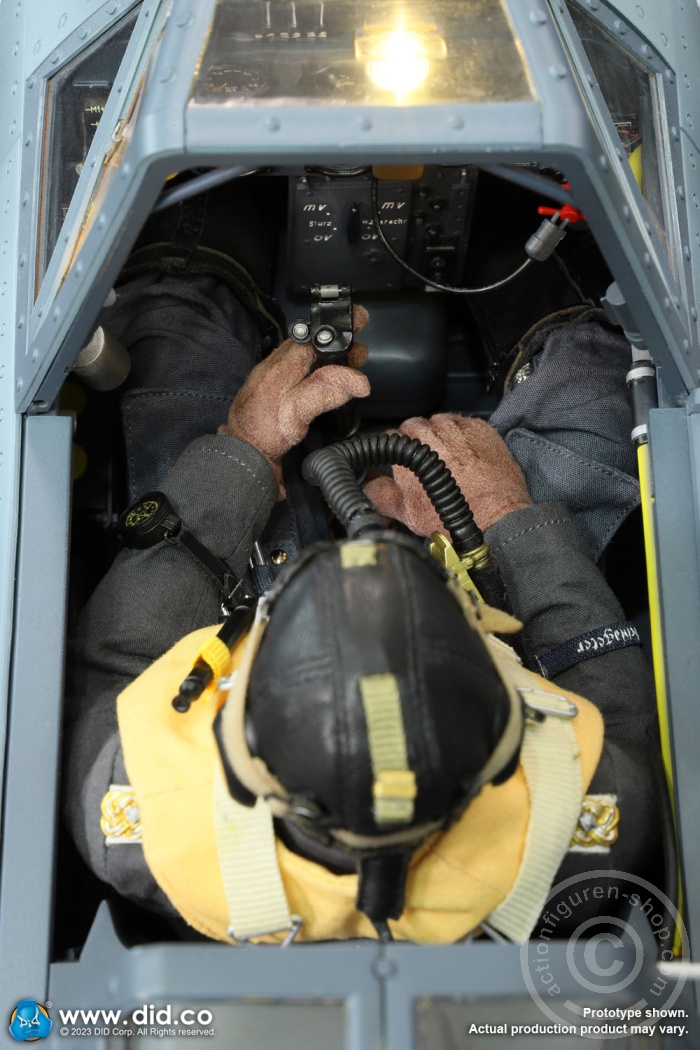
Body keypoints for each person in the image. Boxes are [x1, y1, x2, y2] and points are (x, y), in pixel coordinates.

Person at [63, 179, 663, 944]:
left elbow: (114, 663)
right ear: (501, 742)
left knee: (175, 337)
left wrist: (240, 452)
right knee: (591, 383)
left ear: (241, 740)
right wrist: (508, 520)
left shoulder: (138, 813)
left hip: (245, 591)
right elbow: (609, 694)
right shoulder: (586, 828)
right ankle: (513, 202)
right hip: (480, 586)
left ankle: (210, 206)